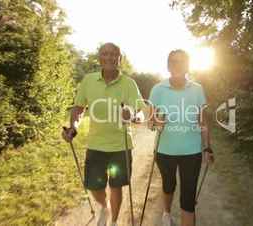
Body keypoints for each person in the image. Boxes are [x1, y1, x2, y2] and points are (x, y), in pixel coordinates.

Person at [62, 43, 146, 226]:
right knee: (93, 185)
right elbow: (78, 108)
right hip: (96, 144)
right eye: (105, 54)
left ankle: (114, 221)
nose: (109, 57)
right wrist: (73, 127)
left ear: (119, 59)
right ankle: (104, 206)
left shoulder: (129, 83)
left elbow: (140, 111)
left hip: (120, 145)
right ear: (99, 58)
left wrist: (132, 115)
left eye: (114, 54)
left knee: (117, 186)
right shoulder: (88, 81)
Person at [148, 49, 214, 226]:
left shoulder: (197, 89)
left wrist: (207, 147)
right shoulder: (158, 89)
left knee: (188, 198)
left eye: (181, 61)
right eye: (173, 62)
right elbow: (150, 122)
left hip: (191, 152)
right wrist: (156, 121)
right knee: (168, 186)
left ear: (187, 65)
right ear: (168, 66)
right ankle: (167, 213)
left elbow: (203, 121)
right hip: (165, 150)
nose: (177, 65)